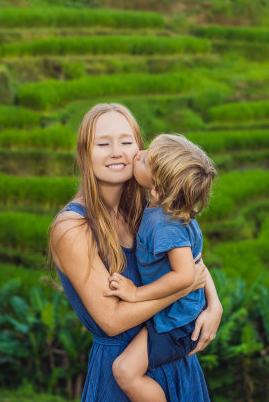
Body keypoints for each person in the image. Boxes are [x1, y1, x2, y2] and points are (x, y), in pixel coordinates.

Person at [48, 103, 222, 402]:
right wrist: (186, 287)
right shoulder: (73, 228)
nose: (116, 151)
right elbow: (112, 321)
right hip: (122, 374)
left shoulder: (149, 209)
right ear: (84, 153)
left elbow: (192, 260)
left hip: (174, 361)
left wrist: (214, 304)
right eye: (103, 143)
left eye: (126, 142)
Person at [105, 134, 217, 402]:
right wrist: (215, 304)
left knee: (125, 371)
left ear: (157, 190)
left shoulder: (166, 224)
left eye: (146, 161)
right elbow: (198, 261)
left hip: (179, 324)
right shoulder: (166, 210)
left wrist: (135, 294)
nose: (138, 154)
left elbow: (187, 274)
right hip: (178, 315)